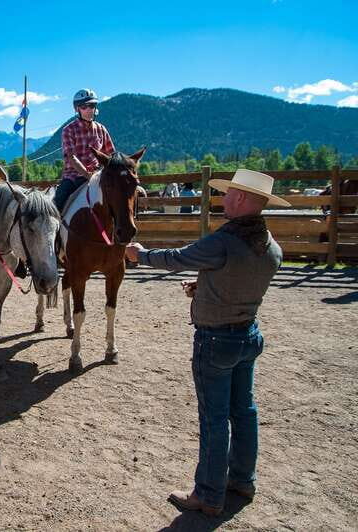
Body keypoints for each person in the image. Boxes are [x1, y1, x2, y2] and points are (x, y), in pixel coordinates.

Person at [124, 169, 290, 516]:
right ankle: (242, 480)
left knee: (214, 419)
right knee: (244, 411)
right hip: (248, 334)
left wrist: (141, 254)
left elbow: (178, 258)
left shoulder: (224, 241)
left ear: (241, 198)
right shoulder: (271, 247)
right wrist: (205, 289)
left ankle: (208, 494)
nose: (224, 198)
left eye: (229, 194)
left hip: (216, 340)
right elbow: (238, 281)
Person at [53, 88, 115, 213]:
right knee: (57, 203)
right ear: (77, 109)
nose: (89, 110)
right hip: (73, 177)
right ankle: (55, 230)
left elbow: (111, 155)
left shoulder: (101, 129)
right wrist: (87, 175)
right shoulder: (68, 130)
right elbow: (71, 157)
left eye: (91, 106)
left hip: (98, 176)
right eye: (84, 106)